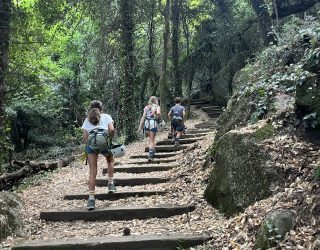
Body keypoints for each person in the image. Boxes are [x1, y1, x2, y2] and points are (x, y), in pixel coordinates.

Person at [82, 100, 116, 211]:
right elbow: (111, 129)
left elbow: (85, 138)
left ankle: (91, 199)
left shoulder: (87, 119)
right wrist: (109, 139)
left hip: (91, 143)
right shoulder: (106, 116)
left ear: (90, 108)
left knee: (92, 171)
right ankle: (110, 183)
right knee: (110, 160)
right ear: (102, 108)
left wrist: (88, 146)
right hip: (104, 141)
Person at [138, 96, 161, 161]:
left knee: (150, 140)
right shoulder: (157, 106)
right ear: (155, 101)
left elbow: (143, 117)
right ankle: (150, 155)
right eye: (157, 100)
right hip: (153, 123)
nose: (157, 101)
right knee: (152, 140)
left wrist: (140, 127)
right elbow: (158, 113)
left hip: (146, 123)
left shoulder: (147, 107)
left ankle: (152, 150)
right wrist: (158, 117)